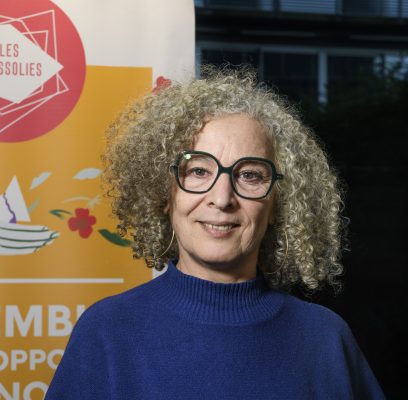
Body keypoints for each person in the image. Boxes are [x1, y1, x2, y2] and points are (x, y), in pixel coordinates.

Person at [46, 68, 385, 399]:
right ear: (164, 194)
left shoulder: (325, 339)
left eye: (249, 175)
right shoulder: (107, 333)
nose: (222, 199)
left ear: (278, 204)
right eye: (198, 171)